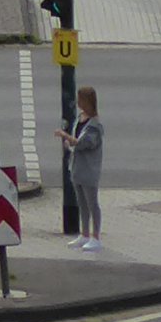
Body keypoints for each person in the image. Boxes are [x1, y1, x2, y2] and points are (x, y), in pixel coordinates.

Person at [58, 86, 104, 248]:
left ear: (88, 101)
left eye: (81, 99)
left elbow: (85, 143)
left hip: (89, 170)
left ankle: (96, 237)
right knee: (82, 204)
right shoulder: (81, 118)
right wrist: (69, 144)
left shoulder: (94, 125)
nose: (78, 102)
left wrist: (66, 137)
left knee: (92, 204)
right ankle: (84, 234)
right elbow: (77, 142)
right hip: (77, 168)